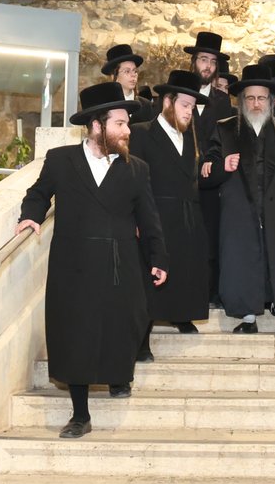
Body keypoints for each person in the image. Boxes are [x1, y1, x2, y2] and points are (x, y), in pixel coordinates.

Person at [16, 82, 168, 438]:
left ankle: (118, 375)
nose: (127, 130)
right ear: (97, 125)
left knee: (123, 324)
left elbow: (149, 219)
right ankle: (80, 415)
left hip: (120, 264)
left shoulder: (137, 168)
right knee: (76, 335)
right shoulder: (61, 160)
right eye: (120, 123)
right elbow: (38, 193)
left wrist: (158, 257)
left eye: (127, 124)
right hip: (74, 264)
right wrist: (30, 216)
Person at [201, 64, 275, 332]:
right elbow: (207, 168)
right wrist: (222, 165)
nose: (256, 104)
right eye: (250, 98)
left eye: (261, 98)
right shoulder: (225, 129)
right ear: (241, 101)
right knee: (243, 260)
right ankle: (248, 316)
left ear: (271, 100)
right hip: (240, 209)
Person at [130, 70, 210, 354]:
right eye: (185, 105)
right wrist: (137, 217)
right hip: (155, 215)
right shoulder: (141, 133)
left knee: (184, 269)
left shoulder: (190, 136)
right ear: (167, 102)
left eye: (193, 106)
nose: (190, 112)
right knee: (150, 279)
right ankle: (141, 341)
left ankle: (181, 315)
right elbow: (135, 180)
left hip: (186, 215)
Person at [187, 31, 231, 307]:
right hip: (183, 181)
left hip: (212, 183)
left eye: (213, 62)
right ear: (193, 62)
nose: (208, 66)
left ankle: (211, 293)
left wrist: (212, 161)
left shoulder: (222, 101)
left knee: (212, 239)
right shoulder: (180, 96)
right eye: (203, 59)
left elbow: (224, 139)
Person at [101, 43, 154, 123]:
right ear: (113, 76)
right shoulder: (105, 105)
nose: (133, 75)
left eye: (135, 71)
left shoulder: (146, 105)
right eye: (127, 71)